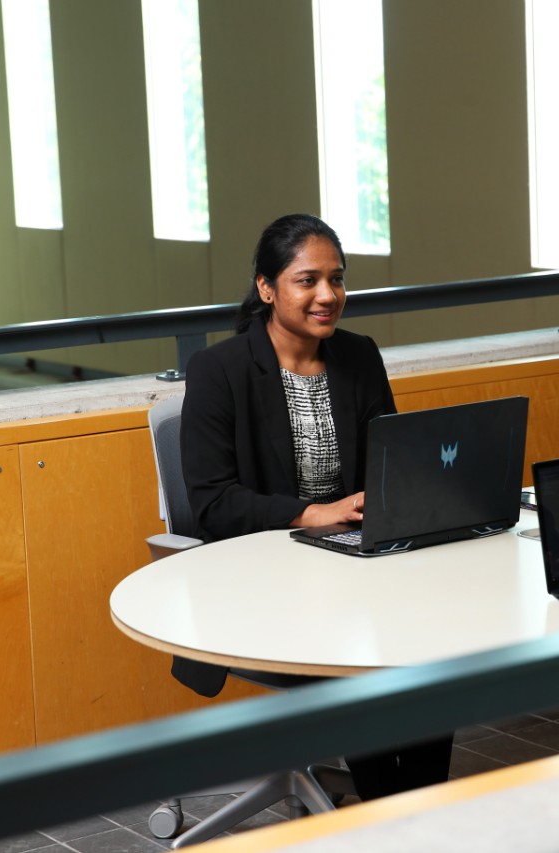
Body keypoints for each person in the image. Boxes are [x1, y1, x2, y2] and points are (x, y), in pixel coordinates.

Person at [175, 213, 453, 799]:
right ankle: (393, 817)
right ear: (267, 288)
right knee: (357, 661)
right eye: (307, 281)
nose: (328, 296)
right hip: (265, 581)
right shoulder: (219, 372)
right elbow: (211, 505)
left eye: (338, 279)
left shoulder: (358, 356)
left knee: (438, 647)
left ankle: (421, 812)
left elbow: (390, 466)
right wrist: (310, 513)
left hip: (357, 568)